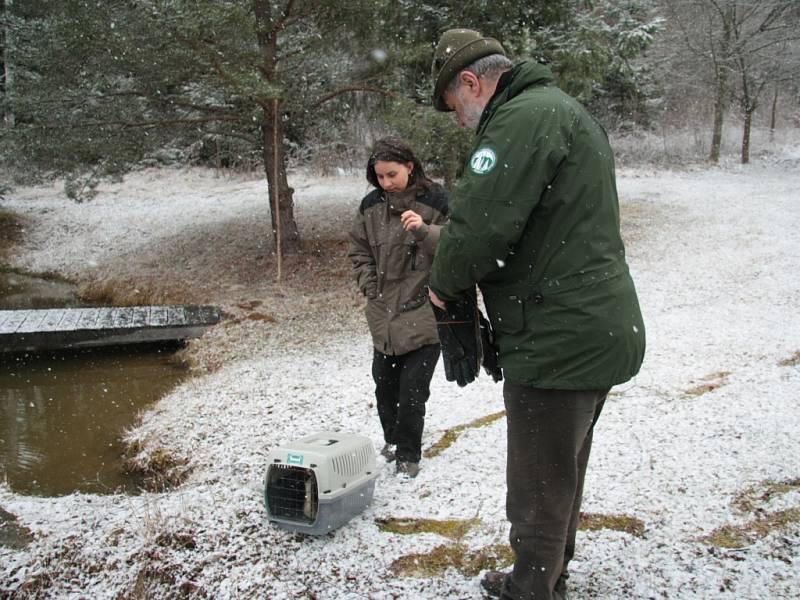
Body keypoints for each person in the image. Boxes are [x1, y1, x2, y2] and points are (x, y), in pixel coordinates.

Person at [427, 29, 646, 599]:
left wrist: (442, 289)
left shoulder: (520, 120)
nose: (460, 123)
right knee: (562, 470)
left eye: (455, 108)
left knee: (538, 483)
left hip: (557, 334)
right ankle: (550, 575)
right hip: (593, 325)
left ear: (472, 83)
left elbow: (479, 224)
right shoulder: (564, 110)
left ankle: (531, 587)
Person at [348, 138, 449, 478]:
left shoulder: (437, 202)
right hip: (384, 317)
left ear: (410, 166)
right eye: (379, 177)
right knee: (384, 386)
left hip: (424, 314)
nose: (386, 183)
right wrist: (370, 287)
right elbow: (359, 250)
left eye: (392, 174)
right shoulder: (370, 207)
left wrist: (424, 232)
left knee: (412, 393)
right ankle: (391, 442)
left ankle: (409, 455)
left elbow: (457, 248)